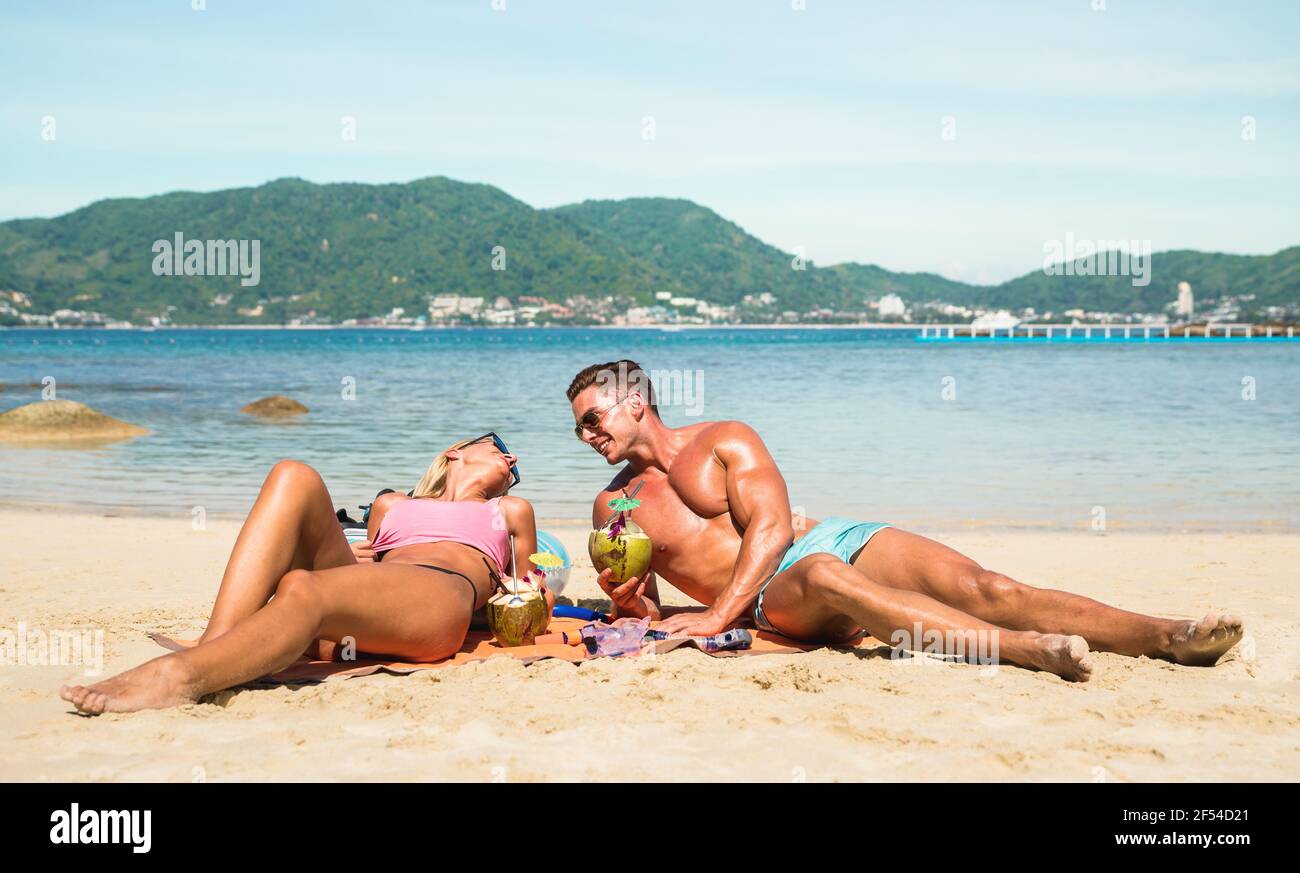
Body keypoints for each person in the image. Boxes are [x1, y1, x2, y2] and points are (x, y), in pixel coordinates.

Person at [568, 360, 1243, 682]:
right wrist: (633, 601)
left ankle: (1169, 634)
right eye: (579, 429)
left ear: (634, 402)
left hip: (816, 541)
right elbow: (645, 607)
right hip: (779, 600)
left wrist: (713, 617)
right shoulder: (614, 505)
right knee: (827, 574)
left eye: (593, 417)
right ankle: (1029, 649)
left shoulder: (726, 437)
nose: (587, 434)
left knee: (990, 586)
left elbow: (772, 526)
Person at [61, 433, 543, 714]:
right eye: (500, 448)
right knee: (293, 474)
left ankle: (181, 677)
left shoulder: (510, 510)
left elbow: (524, 596)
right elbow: (371, 560)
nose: (512, 460)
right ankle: (218, 640)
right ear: (455, 452)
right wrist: (357, 559)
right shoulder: (392, 505)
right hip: (377, 591)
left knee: (300, 586)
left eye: (514, 464)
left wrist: (529, 590)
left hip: (438, 595)